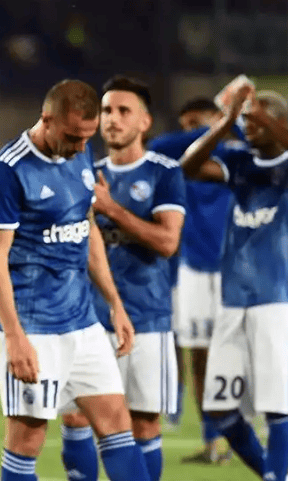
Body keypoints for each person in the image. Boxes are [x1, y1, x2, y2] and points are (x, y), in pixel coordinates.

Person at [0, 79, 152, 481]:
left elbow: (86, 227)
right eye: (73, 137)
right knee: (27, 438)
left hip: (82, 320)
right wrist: (14, 337)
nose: (81, 147)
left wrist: (115, 303)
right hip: (33, 325)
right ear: (47, 119)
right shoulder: (10, 168)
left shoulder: (80, 151)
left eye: (87, 138)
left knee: (116, 422)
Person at [59, 76, 186, 481]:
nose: (112, 119)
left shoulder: (165, 173)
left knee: (143, 422)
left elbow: (167, 241)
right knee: (76, 418)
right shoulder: (83, 172)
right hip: (86, 319)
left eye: (123, 111)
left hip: (146, 317)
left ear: (144, 122)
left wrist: (112, 209)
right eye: (106, 110)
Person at [181, 85, 288, 481]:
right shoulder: (239, 160)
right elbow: (189, 166)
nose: (248, 123)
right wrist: (225, 122)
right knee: (220, 408)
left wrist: (262, 117)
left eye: (257, 116)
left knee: (277, 407)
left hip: (276, 300)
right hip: (233, 300)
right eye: (246, 117)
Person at [148, 97, 236, 464]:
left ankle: (262, 429)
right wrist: (219, 126)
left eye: (196, 123)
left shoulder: (239, 158)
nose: (190, 133)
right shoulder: (181, 163)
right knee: (201, 357)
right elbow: (157, 146)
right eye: (185, 126)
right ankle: (213, 441)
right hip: (195, 269)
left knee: (249, 354)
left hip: (239, 271)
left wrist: (230, 121)